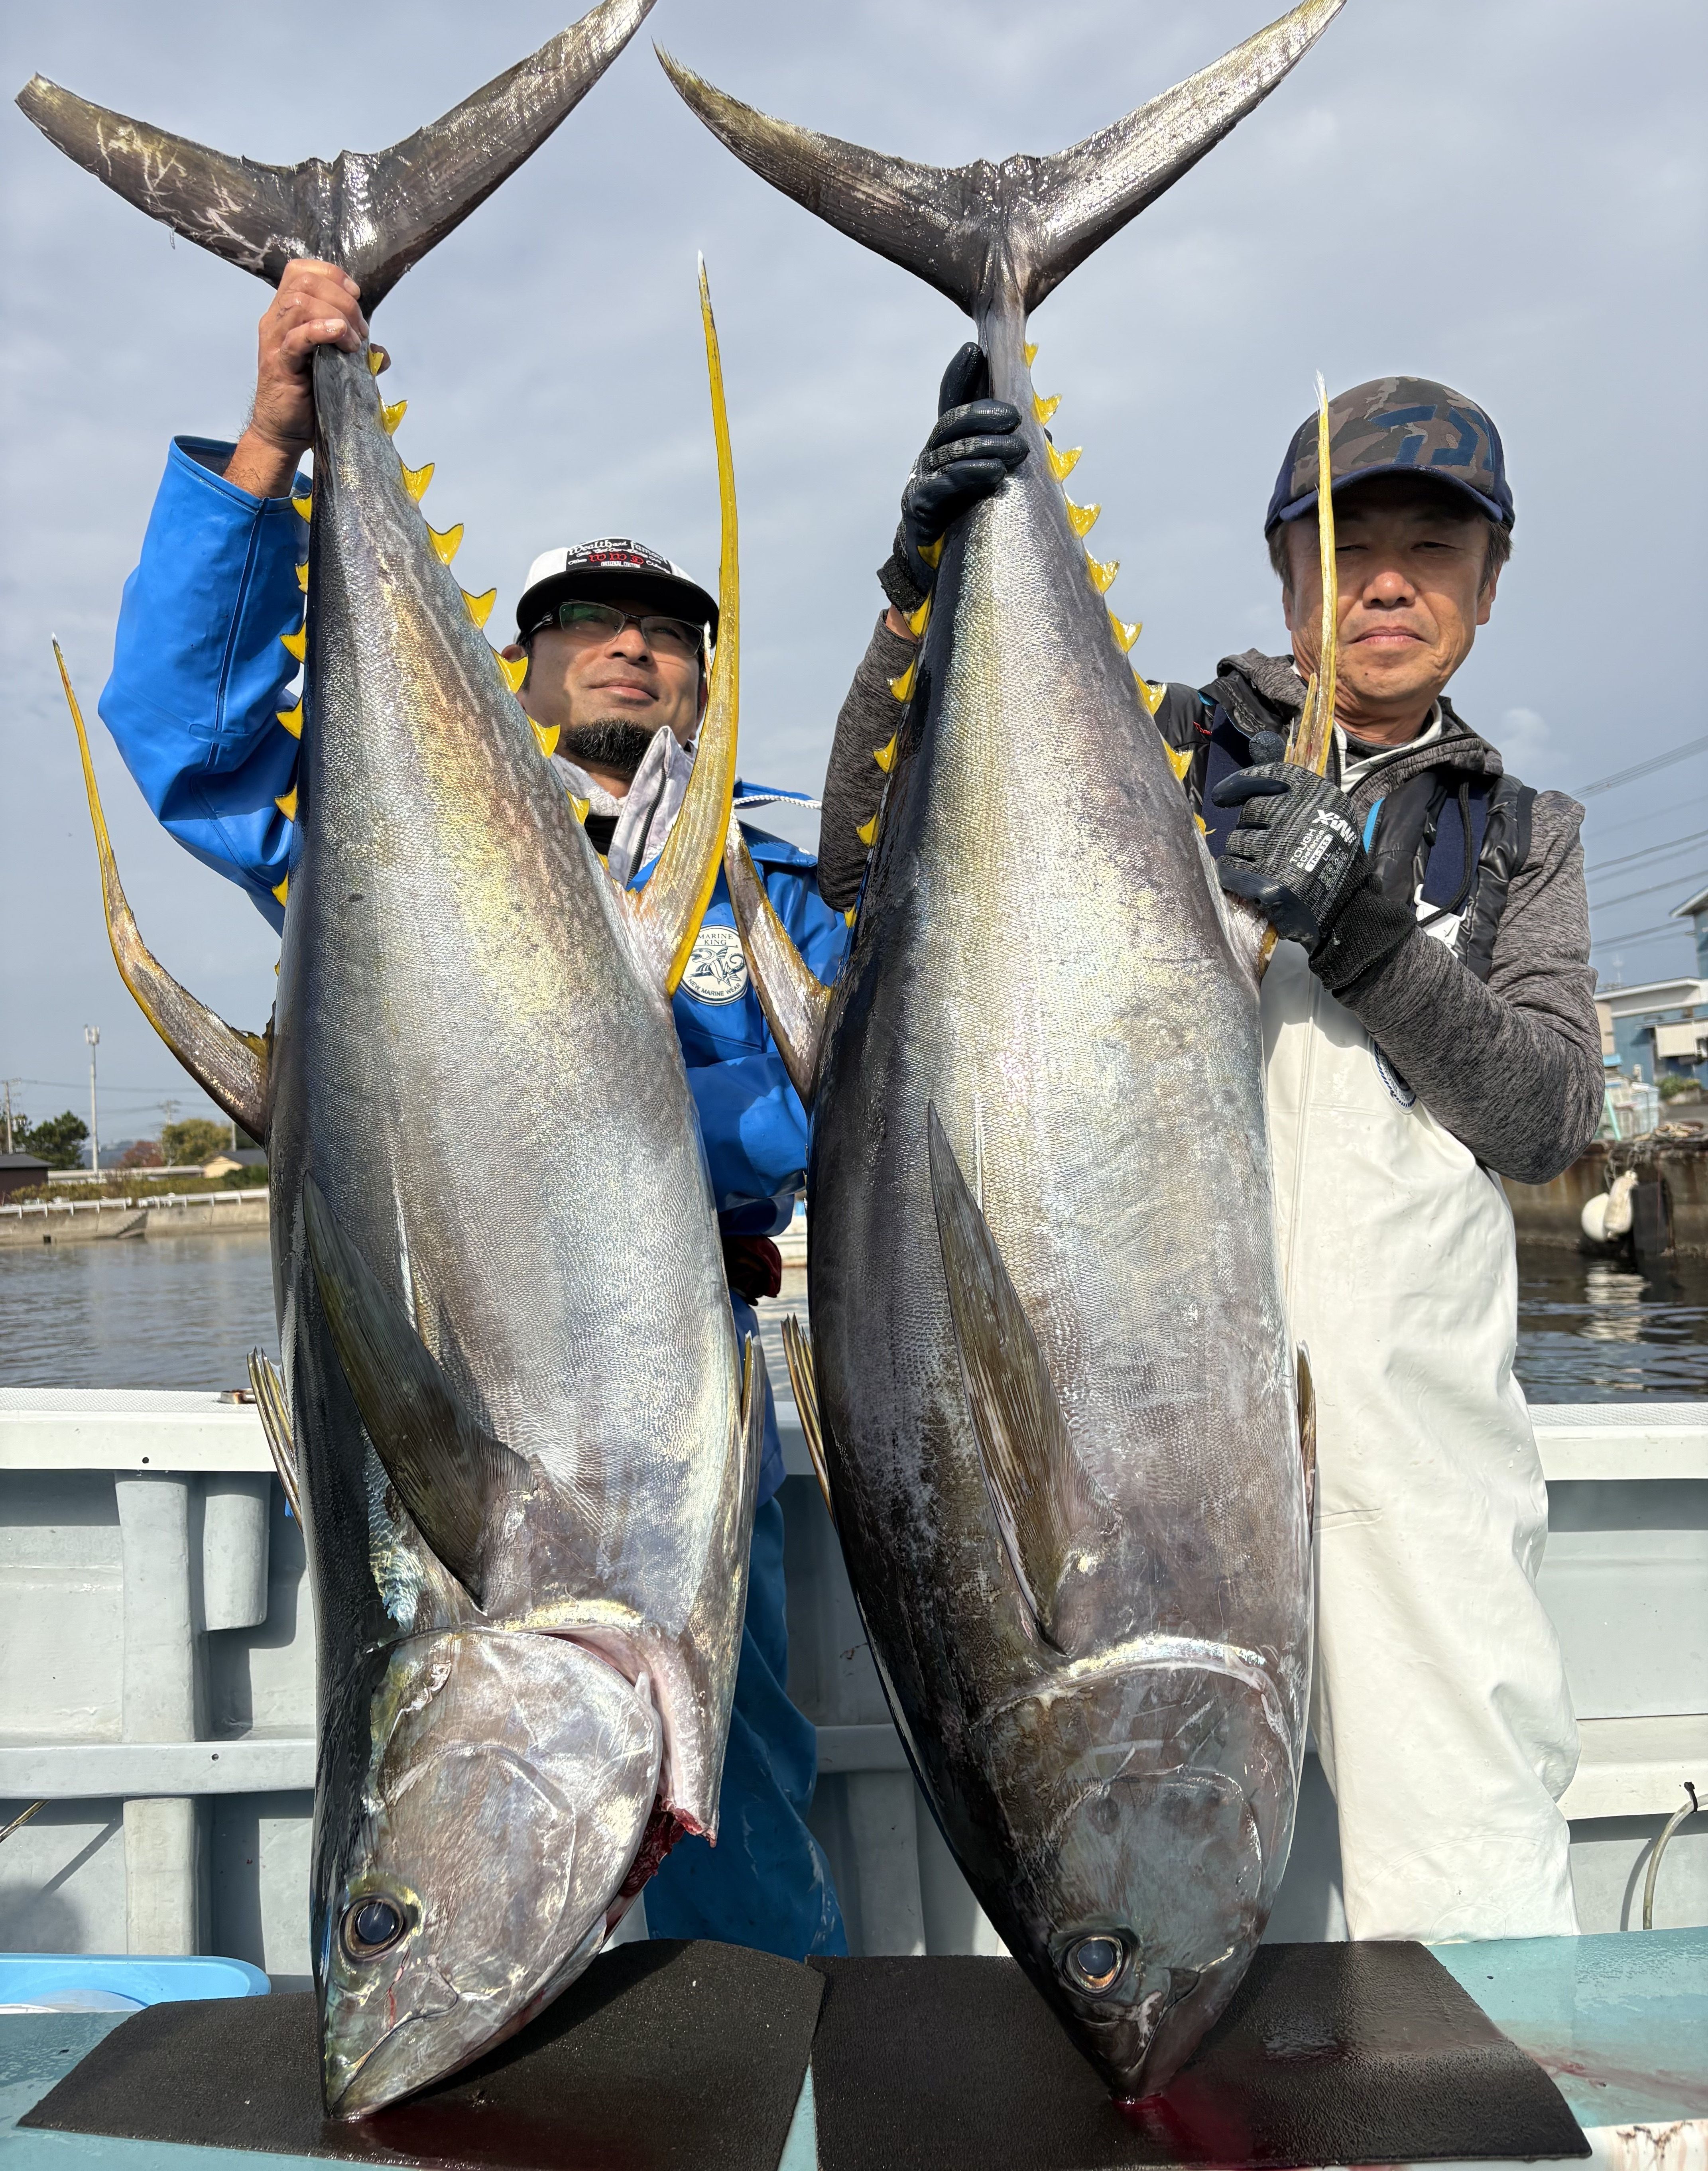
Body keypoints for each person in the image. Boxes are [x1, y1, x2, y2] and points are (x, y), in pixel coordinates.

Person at [100, 258, 848, 1959]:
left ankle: (756, 2035)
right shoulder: (382, 846)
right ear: (518, 665)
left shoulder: (772, 887)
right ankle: (476, 1995)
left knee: (721, 1756)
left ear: (702, 677)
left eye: (667, 629)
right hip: (454, 1363)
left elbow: (847, 1095)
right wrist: (275, 439)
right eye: (585, 622)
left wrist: (656, 1138)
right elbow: (188, 737)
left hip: (677, 1383)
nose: (632, 645)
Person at [818, 356, 1598, 1943]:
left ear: (1492, 579)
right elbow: (858, 864)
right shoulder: (1145, 746)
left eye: (1435, 549)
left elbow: (1546, 1116)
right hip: (1143, 1455)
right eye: (1349, 547)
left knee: (1472, 1905)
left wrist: (1361, 927)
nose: (1389, 584)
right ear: (1286, 568)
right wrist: (917, 599)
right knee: (1193, 1906)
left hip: (1412, 1476)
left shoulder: (1522, 834)